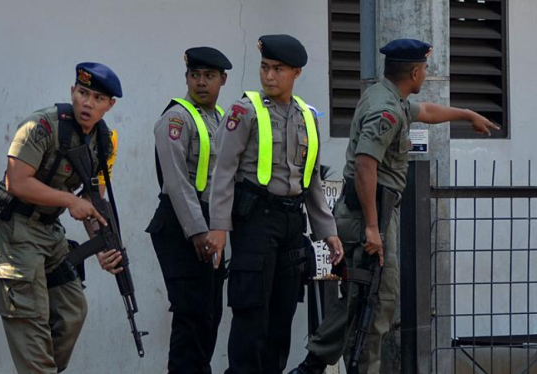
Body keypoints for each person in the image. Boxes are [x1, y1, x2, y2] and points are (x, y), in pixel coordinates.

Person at [288, 39, 500, 374]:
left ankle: (313, 364)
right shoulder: (385, 110)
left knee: (362, 300)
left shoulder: (386, 97)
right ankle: (320, 364)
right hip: (368, 215)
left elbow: (426, 112)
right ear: (415, 71)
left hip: (373, 213)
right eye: (425, 70)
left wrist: (468, 114)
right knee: (376, 302)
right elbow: (365, 165)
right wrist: (374, 227)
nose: (425, 75)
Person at [204, 34, 345, 374]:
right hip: (255, 220)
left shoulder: (307, 116)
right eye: (265, 68)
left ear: (295, 72)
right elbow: (223, 172)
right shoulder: (246, 110)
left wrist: (328, 231)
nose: (268, 76)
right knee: (251, 313)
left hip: (291, 223)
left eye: (277, 69)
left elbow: (310, 179)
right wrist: (219, 228)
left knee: (282, 317)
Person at [0, 62, 123, 374]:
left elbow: (91, 197)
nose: (88, 103)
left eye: (98, 98)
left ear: (110, 105)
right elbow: (16, 182)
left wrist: (103, 247)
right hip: (15, 230)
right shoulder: (41, 126)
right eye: (83, 93)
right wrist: (68, 200)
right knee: (30, 319)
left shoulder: (103, 142)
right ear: (72, 91)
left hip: (49, 232)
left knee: (72, 309)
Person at [145, 46, 232, 374]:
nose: (200, 82)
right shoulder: (176, 118)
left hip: (211, 224)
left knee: (210, 315)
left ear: (222, 79)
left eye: (209, 76)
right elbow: (177, 181)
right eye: (194, 75)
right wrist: (197, 230)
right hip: (182, 225)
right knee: (192, 315)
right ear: (186, 77)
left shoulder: (220, 119)